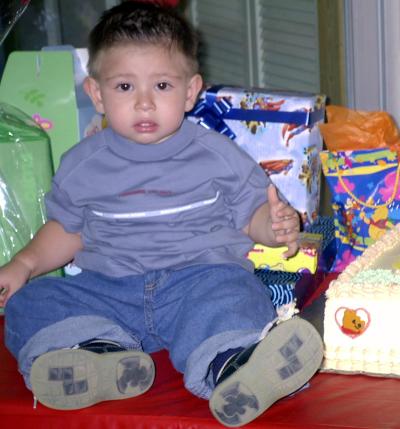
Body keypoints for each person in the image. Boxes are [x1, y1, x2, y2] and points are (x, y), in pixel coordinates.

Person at [0, 2, 323, 427]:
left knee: (234, 293)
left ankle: (234, 366)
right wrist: (23, 263)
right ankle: (97, 354)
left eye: (163, 86)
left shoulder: (217, 155)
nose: (145, 104)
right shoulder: (82, 163)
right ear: (96, 93)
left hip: (198, 280)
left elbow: (251, 217)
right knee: (32, 302)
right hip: (107, 292)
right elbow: (67, 230)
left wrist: (274, 225)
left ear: (190, 91)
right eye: (124, 88)